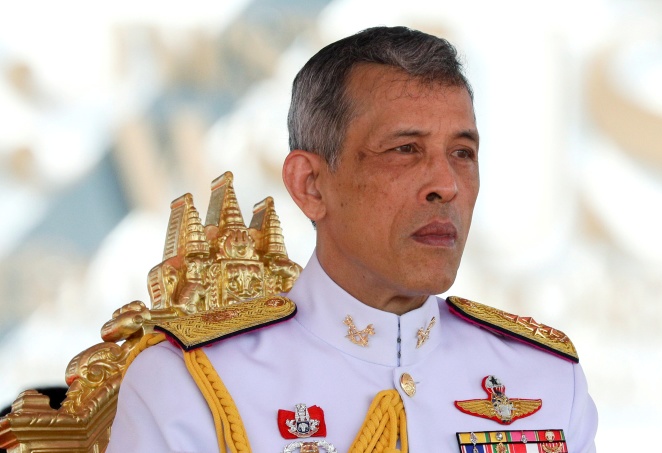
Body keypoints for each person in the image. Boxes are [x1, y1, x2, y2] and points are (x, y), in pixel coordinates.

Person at [108, 26, 597, 453]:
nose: (446, 184)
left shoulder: (548, 379)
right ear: (310, 185)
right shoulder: (194, 383)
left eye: (462, 153)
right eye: (405, 150)